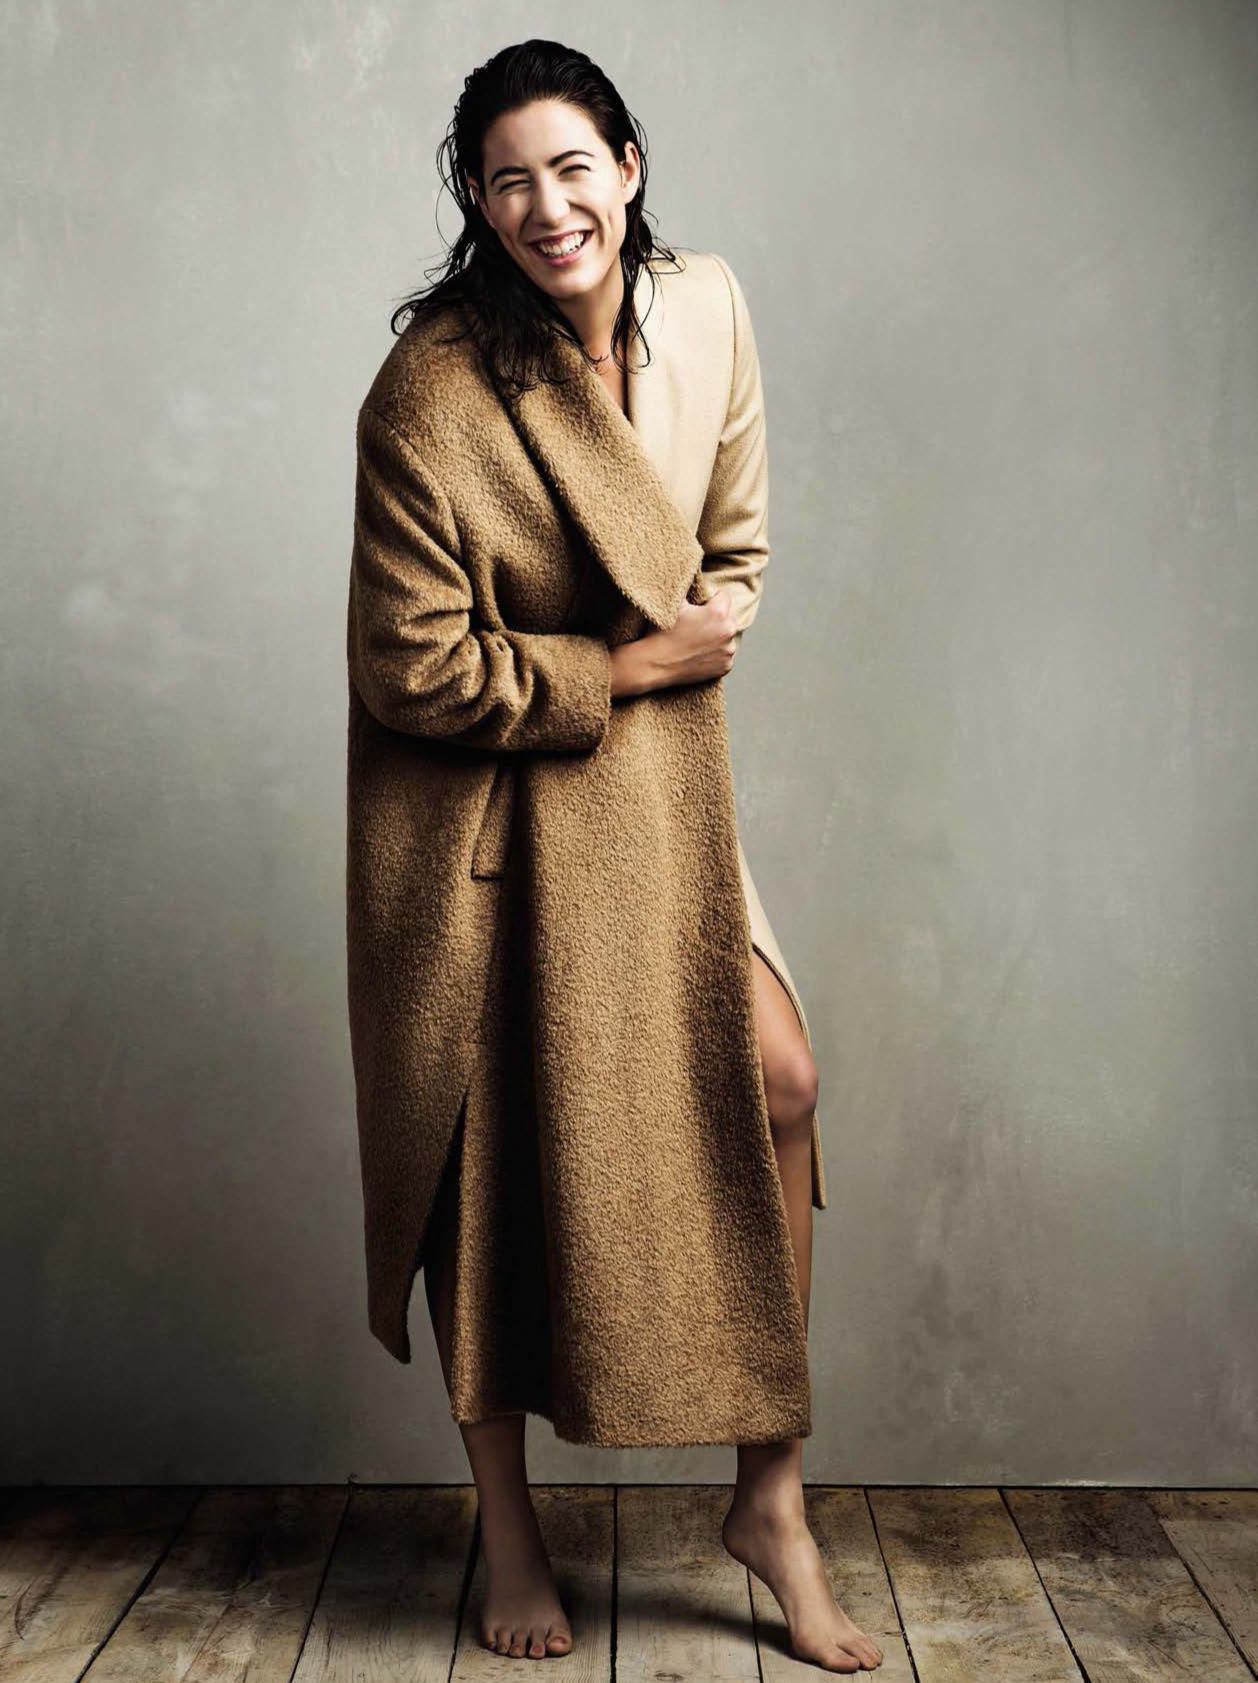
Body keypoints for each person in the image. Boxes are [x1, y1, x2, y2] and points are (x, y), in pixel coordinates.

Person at [345, 38, 884, 1677]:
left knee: (777, 1081)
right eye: (507, 178)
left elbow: (735, 544)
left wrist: (702, 630)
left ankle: (769, 1502)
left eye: (573, 166)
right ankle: (506, 1529)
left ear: (628, 167)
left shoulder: (704, 305)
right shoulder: (435, 386)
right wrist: (625, 667)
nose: (546, 206)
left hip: (661, 794)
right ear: (474, 197)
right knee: (488, 1161)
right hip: (487, 818)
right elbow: (408, 663)